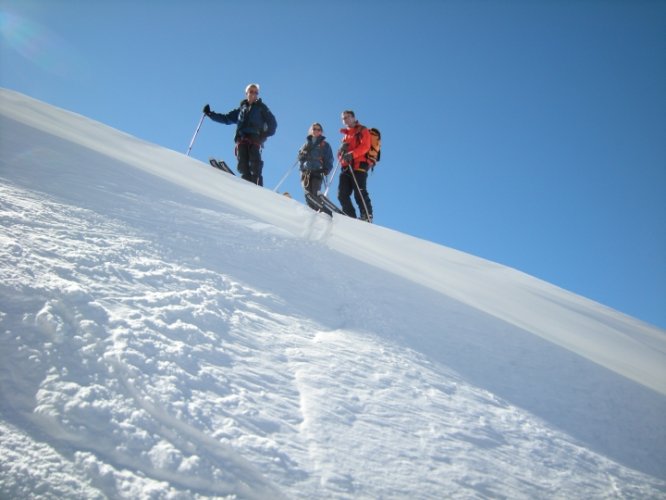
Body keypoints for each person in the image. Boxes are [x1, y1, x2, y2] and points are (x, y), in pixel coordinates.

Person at [203, 83, 277, 186]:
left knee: (255, 164)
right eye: (251, 92)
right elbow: (226, 118)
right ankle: (246, 184)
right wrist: (210, 114)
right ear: (246, 93)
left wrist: (263, 136)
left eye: (256, 92)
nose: (254, 94)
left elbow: (273, 123)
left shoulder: (262, 108)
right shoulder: (241, 109)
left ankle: (257, 186)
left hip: (255, 138)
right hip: (241, 139)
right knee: (243, 164)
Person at [337, 110, 373, 222]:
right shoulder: (345, 137)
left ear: (353, 118)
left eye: (347, 117)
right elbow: (339, 156)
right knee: (342, 194)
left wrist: (352, 154)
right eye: (343, 118)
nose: (345, 119)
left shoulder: (362, 130)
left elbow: (366, 146)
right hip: (346, 167)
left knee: (359, 191)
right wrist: (342, 155)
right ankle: (350, 215)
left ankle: (366, 215)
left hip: (359, 165)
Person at [298, 122, 333, 210]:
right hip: (306, 172)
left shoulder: (325, 145)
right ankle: (311, 210)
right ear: (311, 130)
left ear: (321, 132)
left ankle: (318, 209)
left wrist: (327, 168)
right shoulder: (306, 145)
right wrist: (301, 163)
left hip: (318, 171)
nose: (316, 131)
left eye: (319, 129)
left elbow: (329, 158)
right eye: (314, 129)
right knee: (307, 193)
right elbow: (300, 157)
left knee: (315, 191)